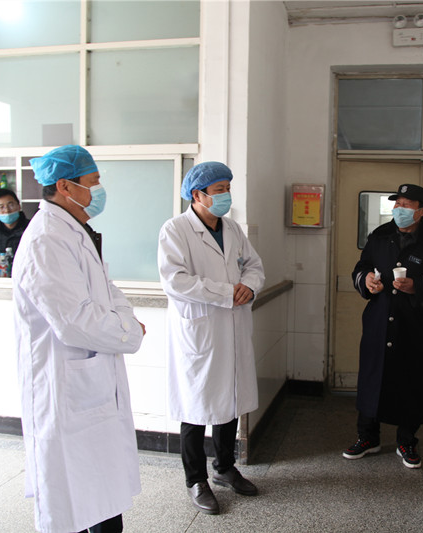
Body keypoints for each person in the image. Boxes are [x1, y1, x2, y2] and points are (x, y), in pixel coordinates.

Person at [13, 145, 146, 533]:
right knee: (74, 498)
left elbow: (108, 291)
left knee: (101, 496)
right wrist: (129, 331)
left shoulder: (74, 231)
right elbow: (75, 321)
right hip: (65, 389)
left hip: (91, 382)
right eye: (94, 181)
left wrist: (125, 321)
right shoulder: (46, 240)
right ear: (65, 186)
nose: (99, 190)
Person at [158, 161, 265, 515]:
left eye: (228, 189)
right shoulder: (175, 230)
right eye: (219, 190)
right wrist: (225, 292)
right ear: (197, 194)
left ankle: (224, 468)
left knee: (229, 400)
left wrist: (248, 287)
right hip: (200, 331)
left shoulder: (232, 228)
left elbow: (254, 265)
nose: (226, 196)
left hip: (232, 326)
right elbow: (174, 280)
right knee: (195, 406)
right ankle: (196, 480)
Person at [344, 184, 423, 469]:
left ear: (422, 211)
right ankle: (367, 437)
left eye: (406, 205)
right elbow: (361, 267)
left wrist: (417, 286)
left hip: (416, 325)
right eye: (397, 204)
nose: (399, 210)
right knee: (372, 376)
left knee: (412, 379)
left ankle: (407, 440)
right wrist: (367, 280)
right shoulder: (380, 235)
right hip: (379, 319)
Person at [0, 187, 30, 262]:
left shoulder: (31, 229)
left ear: (19, 206)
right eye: (1, 207)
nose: (7, 210)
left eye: (11, 205)